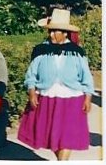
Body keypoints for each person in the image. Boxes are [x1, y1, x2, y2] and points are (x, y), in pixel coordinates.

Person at [17, 8, 94, 161]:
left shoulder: (76, 52)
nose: (52, 35)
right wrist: (32, 92)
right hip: (47, 97)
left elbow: (86, 76)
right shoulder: (41, 51)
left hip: (72, 98)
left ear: (65, 33)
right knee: (51, 136)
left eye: (55, 31)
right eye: (50, 31)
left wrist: (88, 97)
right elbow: (31, 74)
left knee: (66, 136)